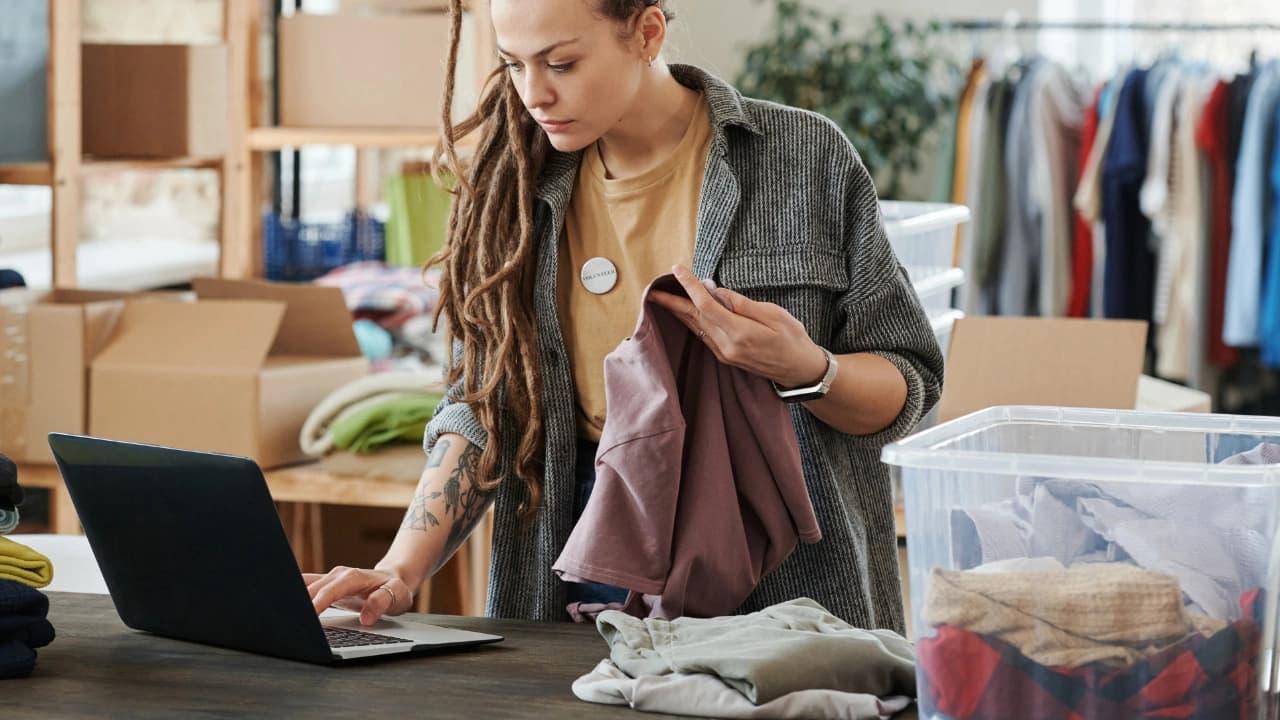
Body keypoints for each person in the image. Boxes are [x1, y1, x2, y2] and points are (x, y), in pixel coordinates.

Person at [306, 0, 943, 633]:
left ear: (646, 32)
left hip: (789, 584)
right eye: (514, 67)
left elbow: (907, 387)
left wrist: (805, 369)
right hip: (577, 550)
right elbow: (481, 405)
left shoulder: (804, 158)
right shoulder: (512, 187)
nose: (536, 94)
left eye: (561, 63)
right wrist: (400, 567)